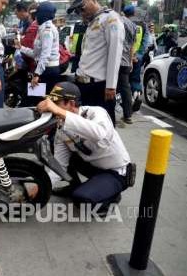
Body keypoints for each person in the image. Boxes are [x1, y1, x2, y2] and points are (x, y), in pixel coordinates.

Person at [37, 82, 136, 211]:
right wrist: (41, 186)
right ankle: (75, 186)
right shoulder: (62, 128)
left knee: (82, 199)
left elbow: (99, 134)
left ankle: (112, 196)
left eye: (56, 103)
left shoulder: (96, 113)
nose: (52, 108)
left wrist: (58, 111)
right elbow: (59, 166)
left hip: (116, 172)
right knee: (52, 146)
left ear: (71, 103)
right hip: (94, 167)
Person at [67, 0, 125, 126]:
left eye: (82, 8)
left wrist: (111, 86)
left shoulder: (111, 19)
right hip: (83, 85)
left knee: (104, 131)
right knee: (86, 128)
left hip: (99, 87)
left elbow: (114, 54)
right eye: (77, 11)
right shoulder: (93, 21)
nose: (81, 13)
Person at [15, 1, 60, 106]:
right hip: (44, 69)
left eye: (37, 13)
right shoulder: (42, 28)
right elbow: (36, 53)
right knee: (35, 101)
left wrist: (37, 74)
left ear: (43, 13)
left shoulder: (47, 30)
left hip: (47, 71)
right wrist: (21, 48)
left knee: (35, 101)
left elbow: (45, 55)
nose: (35, 16)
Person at [118, 5, 137, 125]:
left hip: (115, 60)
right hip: (125, 61)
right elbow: (132, 46)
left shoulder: (118, 20)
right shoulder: (133, 26)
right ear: (133, 14)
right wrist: (130, 62)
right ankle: (128, 115)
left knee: (108, 86)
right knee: (125, 88)